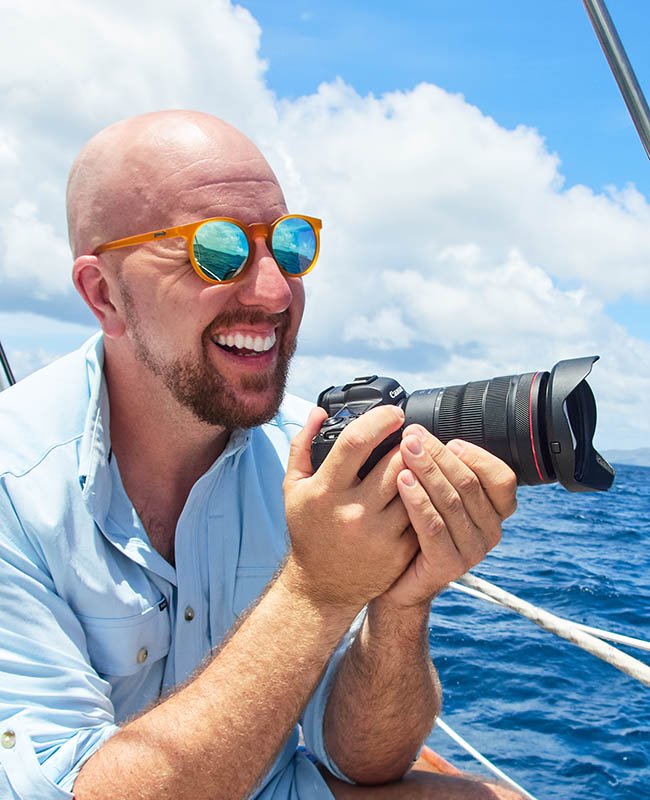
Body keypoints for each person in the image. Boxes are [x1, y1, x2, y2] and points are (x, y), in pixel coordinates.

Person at [0, 110, 522, 800]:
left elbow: (362, 761)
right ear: (105, 295)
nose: (277, 293)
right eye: (216, 251)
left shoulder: (308, 463)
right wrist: (317, 590)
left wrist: (401, 604)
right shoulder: (15, 484)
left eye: (291, 245)